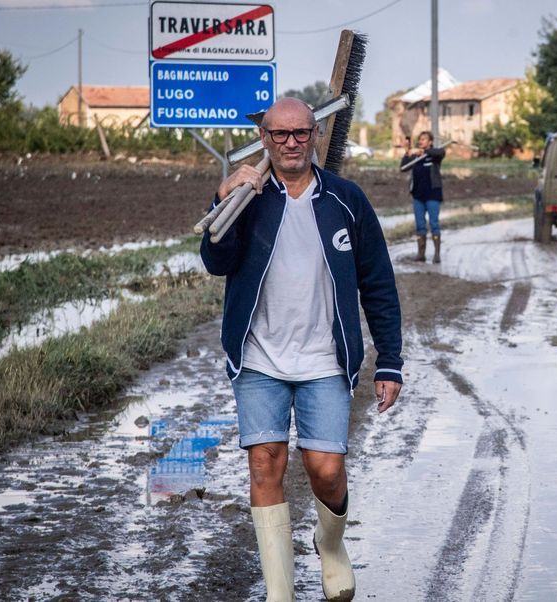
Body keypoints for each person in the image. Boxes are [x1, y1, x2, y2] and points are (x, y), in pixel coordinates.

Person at [200, 97, 404, 602]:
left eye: (300, 133)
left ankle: (330, 545)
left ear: (315, 136)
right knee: (265, 463)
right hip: (258, 357)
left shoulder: (346, 199)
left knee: (326, 470)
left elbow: (377, 283)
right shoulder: (247, 197)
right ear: (264, 139)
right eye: (280, 134)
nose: (291, 143)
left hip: (324, 360)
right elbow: (215, 259)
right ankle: (280, 593)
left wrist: (390, 361)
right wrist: (221, 196)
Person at [401, 131, 445, 263]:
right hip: (418, 196)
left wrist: (424, 152)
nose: (421, 141)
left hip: (433, 195)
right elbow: (403, 167)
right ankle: (421, 254)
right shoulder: (416, 156)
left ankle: (437, 255)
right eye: (420, 139)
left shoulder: (434, 156)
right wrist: (408, 152)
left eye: (424, 139)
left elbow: (440, 152)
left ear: (430, 142)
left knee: (434, 224)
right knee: (420, 226)